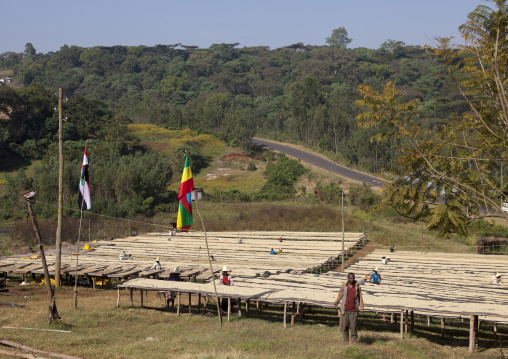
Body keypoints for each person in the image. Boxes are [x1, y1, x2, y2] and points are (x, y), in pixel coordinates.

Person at [334, 273, 364, 343]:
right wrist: (337, 301)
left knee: (353, 327)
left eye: (353, 278)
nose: (352, 279)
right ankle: (346, 341)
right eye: (350, 278)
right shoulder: (344, 286)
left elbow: (360, 298)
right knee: (344, 327)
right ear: (348, 278)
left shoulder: (357, 287)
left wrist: (361, 308)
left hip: (354, 310)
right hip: (344, 310)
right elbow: (340, 295)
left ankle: (354, 342)